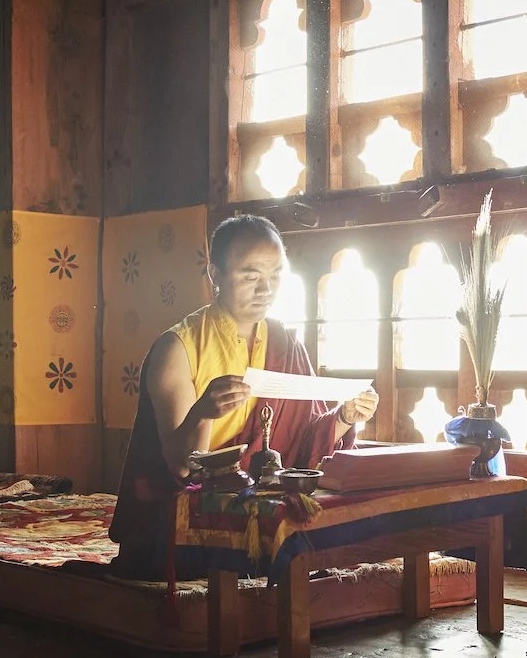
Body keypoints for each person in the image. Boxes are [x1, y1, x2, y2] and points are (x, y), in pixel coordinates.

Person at [109, 214, 378, 578]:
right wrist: (203, 412)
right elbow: (178, 466)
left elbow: (305, 438)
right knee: (292, 545)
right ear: (215, 275)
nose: (265, 290)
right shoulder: (178, 348)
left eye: (275, 277)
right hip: (188, 507)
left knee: (327, 531)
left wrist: (345, 417)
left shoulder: (284, 341)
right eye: (251, 277)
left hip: (263, 495)